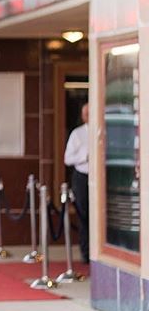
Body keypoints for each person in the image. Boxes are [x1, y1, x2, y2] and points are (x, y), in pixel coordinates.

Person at [64, 102, 89, 264]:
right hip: (82, 177)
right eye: (86, 113)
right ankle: (86, 252)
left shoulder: (104, 132)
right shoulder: (77, 134)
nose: (89, 116)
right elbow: (67, 159)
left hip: (100, 179)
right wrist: (84, 157)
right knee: (84, 215)